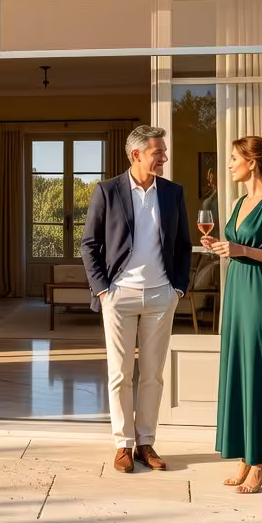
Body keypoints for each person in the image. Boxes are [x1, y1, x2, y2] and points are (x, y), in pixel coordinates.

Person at [81, 125, 192, 474]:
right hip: (119, 295)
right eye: (158, 152)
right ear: (136, 155)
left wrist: (177, 288)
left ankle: (146, 443)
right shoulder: (108, 190)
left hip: (161, 295)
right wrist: (103, 290)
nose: (165, 158)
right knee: (120, 373)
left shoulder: (173, 193)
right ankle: (122, 444)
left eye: (163, 152)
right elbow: (89, 245)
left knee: (153, 375)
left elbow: (183, 245)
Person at [201, 135, 262, 494]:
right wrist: (219, 246)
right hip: (237, 293)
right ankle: (246, 453)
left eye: (233, 158)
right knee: (241, 371)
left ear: (251, 163)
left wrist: (242, 249)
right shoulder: (240, 202)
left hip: (259, 295)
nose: (228, 165)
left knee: (259, 371)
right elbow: (237, 247)